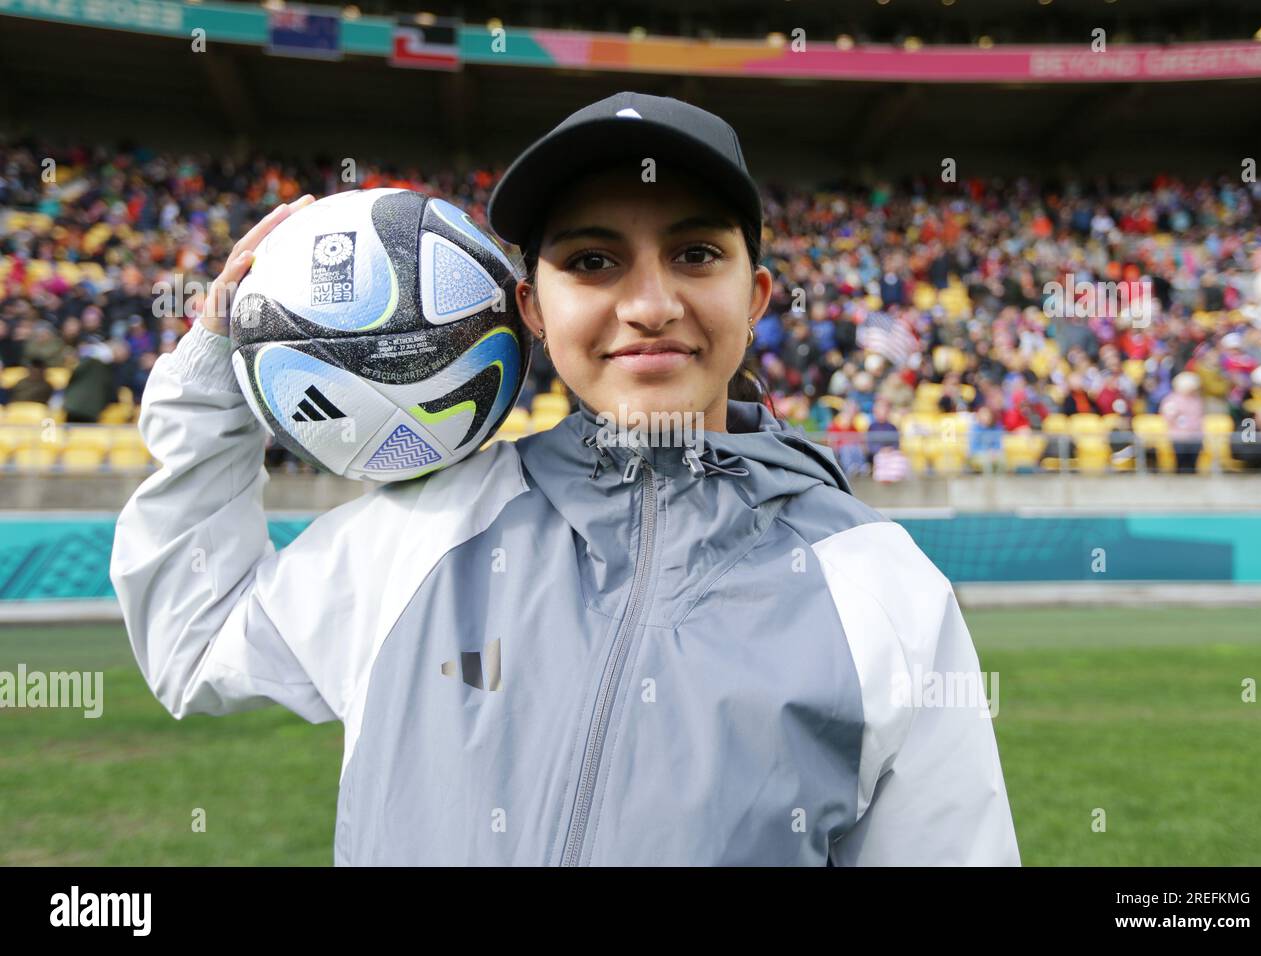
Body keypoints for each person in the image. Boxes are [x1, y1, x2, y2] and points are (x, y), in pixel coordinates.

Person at [110, 92, 1018, 867]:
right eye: (592, 261)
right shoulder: (424, 529)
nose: (650, 304)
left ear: (758, 296)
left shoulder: (882, 588)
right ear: (532, 310)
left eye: (697, 255)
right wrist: (212, 375)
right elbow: (193, 645)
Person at [1160, 370, 1205, 473]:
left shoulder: (1197, 400)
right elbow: (1168, 417)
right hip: (1178, 437)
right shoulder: (1172, 399)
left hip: (1195, 436)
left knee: (1193, 465)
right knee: (1181, 464)